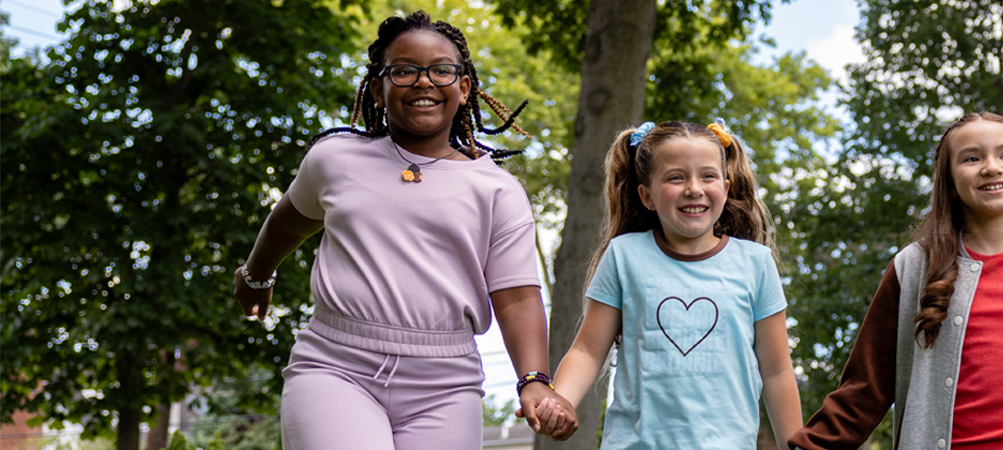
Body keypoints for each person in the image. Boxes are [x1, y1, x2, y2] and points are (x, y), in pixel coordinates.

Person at [230, 11, 565, 449]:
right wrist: (257, 275)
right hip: (336, 366)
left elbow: (517, 296)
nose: (423, 82)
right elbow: (290, 220)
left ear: (464, 88)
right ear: (377, 87)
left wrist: (534, 379)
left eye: (442, 70)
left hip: (446, 385)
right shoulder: (335, 160)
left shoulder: (497, 190)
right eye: (404, 70)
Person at [787, 112, 1003, 450]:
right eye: (972, 158)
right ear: (948, 183)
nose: (992, 167)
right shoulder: (914, 268)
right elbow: (865, 386)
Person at [535, 120, 802, 448]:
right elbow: (588, 350)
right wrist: (560, 400)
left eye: (708, 176)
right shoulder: (625, 255)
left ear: (726, 187)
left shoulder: (756, 263)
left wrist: (796, 445)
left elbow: (776, 372)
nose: (694, 188)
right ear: (647, 196)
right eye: (676, 177)